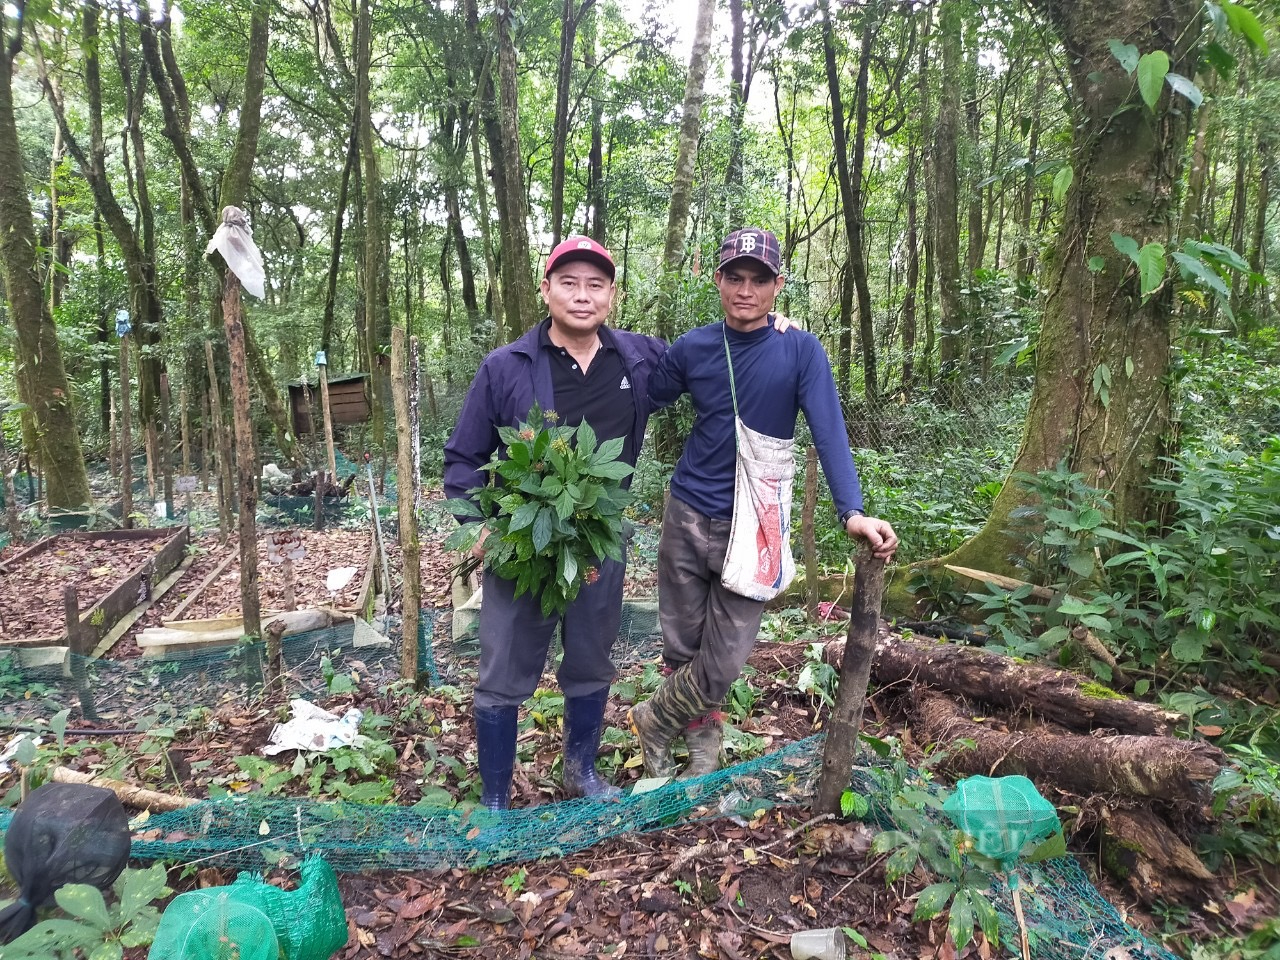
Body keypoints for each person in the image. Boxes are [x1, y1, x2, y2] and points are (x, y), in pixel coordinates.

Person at [630, 227, 899, 780]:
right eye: (735, 277)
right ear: (718, 280)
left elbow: (829, 431)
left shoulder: (799, 350)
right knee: (683, 647)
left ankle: (655, 719)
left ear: (778, 285)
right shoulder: (694, 348)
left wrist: (852, 511)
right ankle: (700, 753)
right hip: (686, 510)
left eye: (759, 279)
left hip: (756, 523)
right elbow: (644, 393)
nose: (745, 289)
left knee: (724, 659)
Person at [444, 236, 664, 809]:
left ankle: (580, 773)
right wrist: (483, 527)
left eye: (595, 284)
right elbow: (462, 460)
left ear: (612, 296)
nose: (582, 295)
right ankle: (494, 797)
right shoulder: (506, 368)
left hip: (599, 544)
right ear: (546, 290)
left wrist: (766, 323)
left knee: (591, 660)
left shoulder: (638, 360)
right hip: (524, 546)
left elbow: (714, 356)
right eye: (569, 282)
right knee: (503, 668)